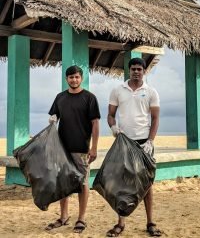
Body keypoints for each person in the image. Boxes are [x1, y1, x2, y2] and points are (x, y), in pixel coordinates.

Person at [107, 57, 162, 237]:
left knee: (147, 184)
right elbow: (110, 115)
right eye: (133, 69)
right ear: (129, 70)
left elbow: (155, 119)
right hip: (124, 142)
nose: (136, 71)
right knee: (123, 183)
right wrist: (114, 128)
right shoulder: (118, 90)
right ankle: (120, 223)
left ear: (144, 71)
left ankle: (150, 222)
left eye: (139, 69)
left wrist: (150, 141)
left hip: (143, 142)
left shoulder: (151, 92)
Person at [45, 65, 100, 234]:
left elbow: (95, 123)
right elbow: (54, 116)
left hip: (82, 149)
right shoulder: (60, 97)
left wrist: (94, 147)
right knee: (63, 183)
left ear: (81, 78)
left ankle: (81, 218)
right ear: (66, 79)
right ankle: (63, 216)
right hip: (62, 149)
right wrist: (52, 119)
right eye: (70, 77)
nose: (74, 80)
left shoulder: (89, 98)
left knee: (83, 184)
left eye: (76, 77)